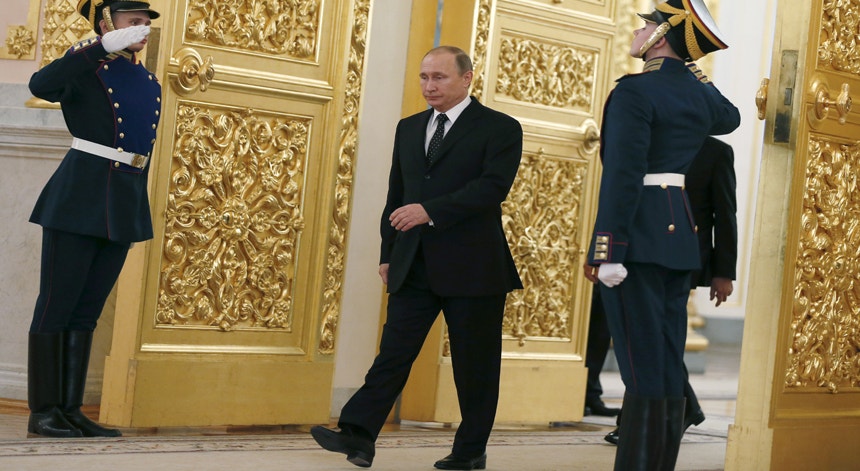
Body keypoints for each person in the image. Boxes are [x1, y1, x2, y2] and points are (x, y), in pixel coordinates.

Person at [310, 45, 522, 470]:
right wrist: (389, 253)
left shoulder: (500, 128)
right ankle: (358, 434)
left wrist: (431, 210)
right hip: (414, 262)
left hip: (475, 267)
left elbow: (492, 188)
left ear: (467, 78)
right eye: (424, 77)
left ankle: (470, 451)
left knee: (475, 367)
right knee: (393, 353)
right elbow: (397, 195)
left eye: (439, 77)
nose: (429, 86)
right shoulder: (409, 128)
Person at [583, 1, 740, 469]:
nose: (637, 32)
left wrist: (607, 249)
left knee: (640, 364)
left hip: (638, 238)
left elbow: (623, 176)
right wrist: (689, 64)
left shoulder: (634, 92)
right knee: (668, 359)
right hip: (678, 238)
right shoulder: (696, 94)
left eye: (647, 26)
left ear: (661, 35)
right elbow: (729, 116)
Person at [26, 0, 161, 438]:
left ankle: (70, 409)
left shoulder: (149, 81)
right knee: (56, 305)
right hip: (79, 198)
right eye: (132, 21)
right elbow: (41, 84)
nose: (141, 28)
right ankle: (43, 412)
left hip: (122, 201)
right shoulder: (87, 66)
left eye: (145, 23)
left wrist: (135, 204)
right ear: (107, 23)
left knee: (87, 312)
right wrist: (99, 47)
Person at [600, 135, 738, 445]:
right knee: (650, 337)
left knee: (657, 337)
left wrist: (723, 272)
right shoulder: (651, 142)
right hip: (642, 250)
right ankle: (670, 411)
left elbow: (725, 212)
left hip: (684, 256)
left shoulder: (716, 151)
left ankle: (650, 417)